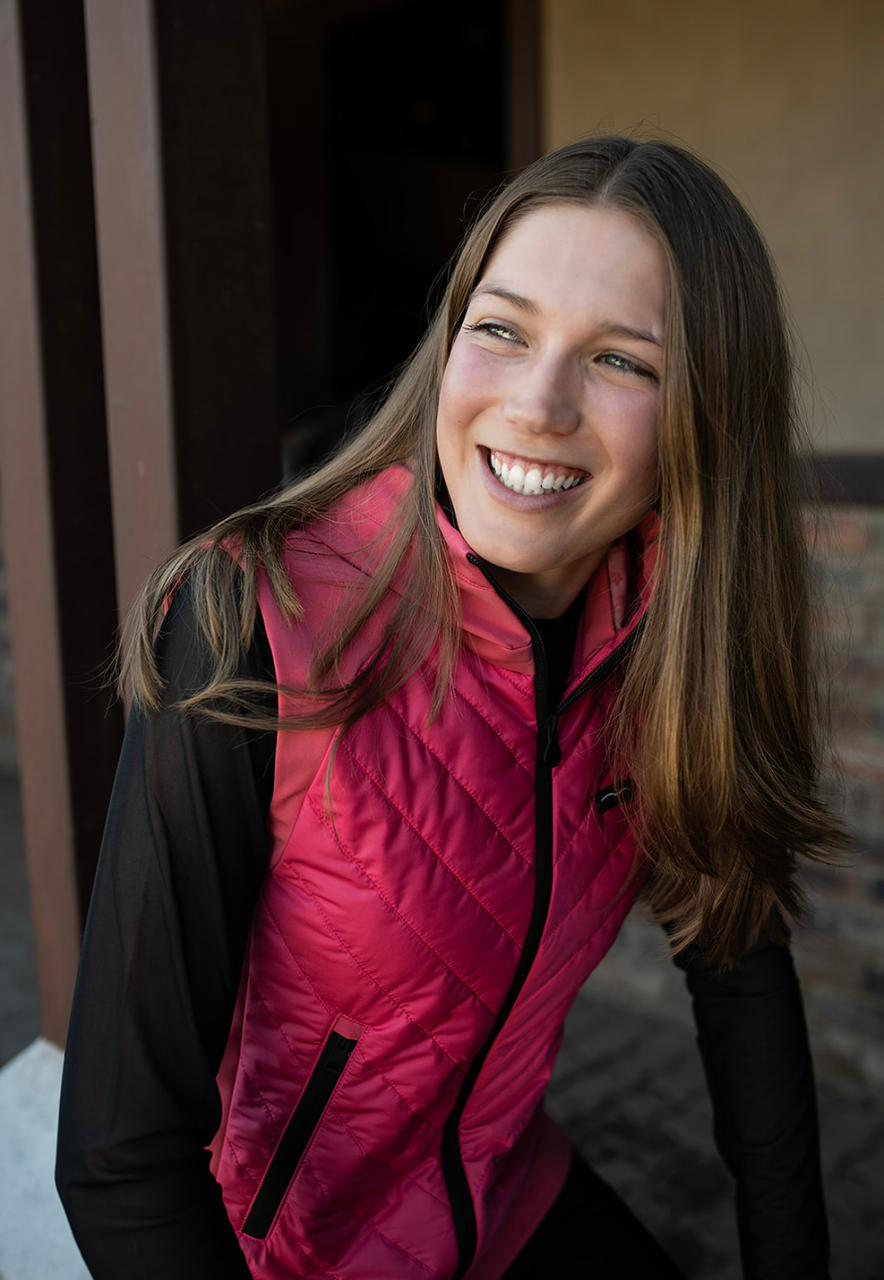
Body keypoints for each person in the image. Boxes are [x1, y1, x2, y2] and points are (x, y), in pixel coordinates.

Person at [55, 136, 848, 1279]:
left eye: (619, 360)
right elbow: (118, 1155)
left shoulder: (670, 644)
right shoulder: (258, 616)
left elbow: (734, 956)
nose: (536, 404)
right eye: (502, 329)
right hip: (284, 1253)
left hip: (499, 1188)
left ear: (705, 415)